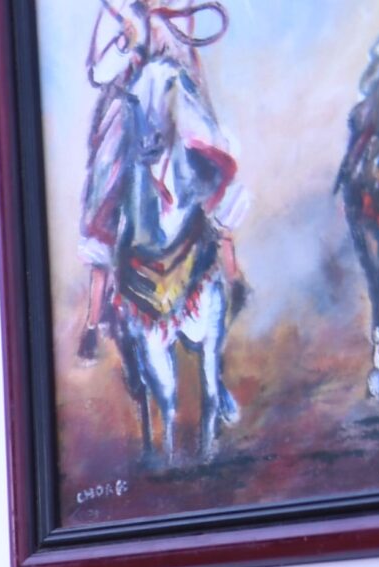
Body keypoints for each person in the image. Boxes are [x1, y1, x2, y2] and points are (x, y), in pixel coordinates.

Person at [77, 1, 250, 360]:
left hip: (174, 93)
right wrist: (126, 41)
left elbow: (187, 52)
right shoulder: (118, 8)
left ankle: (232, 273)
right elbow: (100, 70)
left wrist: (164, 35)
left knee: (208, 151)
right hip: (132, 102)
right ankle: (95, 316)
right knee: (106, 174)